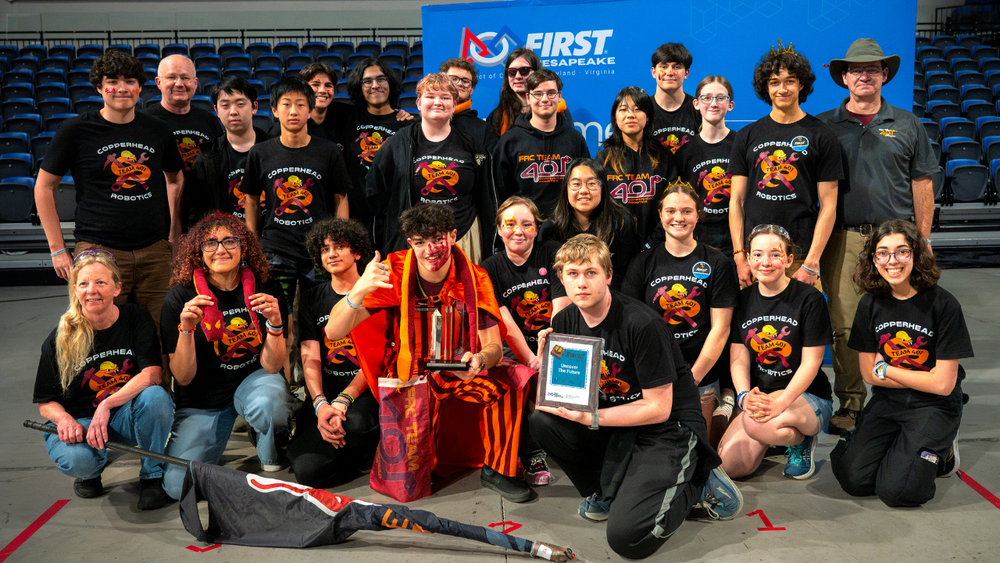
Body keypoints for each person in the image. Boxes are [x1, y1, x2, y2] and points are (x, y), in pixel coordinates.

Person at [530, 234, 742, 560]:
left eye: (591, 273)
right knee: (543, 422)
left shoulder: (641, 324)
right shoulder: (565, 320)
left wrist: (592, 418)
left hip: (668, 428)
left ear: (609, 275)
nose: (581, 282)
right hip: (619, 420)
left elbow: (658, 408)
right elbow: (566, 395)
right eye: (572, 274)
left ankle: (697, 480)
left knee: (627, 539)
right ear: (561, 279)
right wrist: (547, 365)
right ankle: (603, 489)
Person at [326, 203, 533, 503]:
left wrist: (478, 360)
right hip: (408, 376)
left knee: (512, 382)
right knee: (407, 488)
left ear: (453, 235)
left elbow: (494, 348)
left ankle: (499, 470)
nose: (430, 250)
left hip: (456, 370)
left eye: (437, 239)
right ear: (410, 243)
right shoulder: (394, 271)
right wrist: (358, 291)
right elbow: (333, 332)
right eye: (420, 242)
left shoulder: (474, 278)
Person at [817, 39, 940, 435]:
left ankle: (901, 397)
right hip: (844, 239)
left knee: (902, 322)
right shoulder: (825, 125)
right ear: (844, 77)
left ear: (884, 74)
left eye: (872, 69)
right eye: (856, 69)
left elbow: (922, 183)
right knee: (845, 325)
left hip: (897, 241)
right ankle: (851, 404)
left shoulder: (908, 123)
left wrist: (922, 239)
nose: (864, 75)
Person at [34, 50, 185, 340]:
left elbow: (175, 179)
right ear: (100, 88)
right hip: (98, 252)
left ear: (140, 87)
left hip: (154, 252)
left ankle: (156, 387)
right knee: (100, 336)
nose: (123, 88)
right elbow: (43, 186)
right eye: (113, 81)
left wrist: (173, 236)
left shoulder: (158, 130)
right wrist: (57, 249)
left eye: (130, 81)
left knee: (162, 336)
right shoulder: (76, 130)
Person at [831, 220, 973, 507]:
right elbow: (867, 375)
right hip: (889, 400)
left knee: (898, 492)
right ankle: (906, 447)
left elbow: (943, 385)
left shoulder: (944, 305)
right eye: (882, 253)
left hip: (934, 405)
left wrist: (887, 368)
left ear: (916, 255)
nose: (891, 261)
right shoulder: (870, 304)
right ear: (873, 259)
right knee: (853, 480)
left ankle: (942, 451)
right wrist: (918, 376)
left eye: (901, 252)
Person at [160, 213, 295, 500]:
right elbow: (182, 376)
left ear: (243, 248)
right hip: (203, 399)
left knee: (271, 402)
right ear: (199, 252)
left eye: (229, 241)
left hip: (253, 381)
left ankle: (269, 448)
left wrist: (275, 323)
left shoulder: (266, 287)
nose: (220, 249)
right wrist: (185, 330)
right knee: (177, 487)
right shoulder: (178, 297)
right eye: (210, 243)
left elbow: (272, 366)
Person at [33, 250, 174, 510]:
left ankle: (152, 476)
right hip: (81, 423)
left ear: (117, 288)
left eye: (101, 282)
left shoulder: (135, 318)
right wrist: (64, 420)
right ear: (75, 290)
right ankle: (89, 471)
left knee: (156, 397)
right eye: (84, 283)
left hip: (123, 416)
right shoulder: (59, 338)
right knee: (78, 461)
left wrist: (106, 406)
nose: (92, 290)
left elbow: (152, 374)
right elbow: (45, 401)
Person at [240, 77, 352, 378]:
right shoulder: (260, 153)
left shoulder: (328, 151)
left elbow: (341, 197)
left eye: (300, 104)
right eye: (286, 104)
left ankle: (318, 388)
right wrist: (252, 242)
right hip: (277, 249)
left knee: (322, 322)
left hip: (319, 251)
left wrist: (339, 242)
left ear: (310, 108)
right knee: (280, 323)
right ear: (274, 110)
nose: (293, 111)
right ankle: (285, 389)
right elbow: (250, 200)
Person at [621, 182, 738, 446]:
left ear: (698, 215)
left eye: (686, 211)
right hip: (653, 374)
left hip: (700, 373)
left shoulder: (716, 262)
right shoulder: (643, 263)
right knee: (657, 447)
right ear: (660, 214)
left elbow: (721, 329)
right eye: (671, 211)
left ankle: (725, 408)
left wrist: (692, 377)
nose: (678, 218)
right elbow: (631, 325)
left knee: (699, 450)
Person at [717, 225, 833, 480]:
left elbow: (811, 363)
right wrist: (744, 397)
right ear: (748, 258)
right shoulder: (743, 300)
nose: (765, 262)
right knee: (728, 465)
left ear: (789, 259)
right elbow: (738, 358)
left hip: (806, 396)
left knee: (755, 423)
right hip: (760, 398)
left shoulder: (809, 299)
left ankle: (801, 440)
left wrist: (781, 403)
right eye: (757, 255)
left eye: (775, 254)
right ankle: (773, 434)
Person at [728, 42, 842, 289]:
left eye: (790, 81)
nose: (783, 88)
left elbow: (829, 205)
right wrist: (740, 255)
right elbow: (736, 202)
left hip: (800, 256)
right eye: (774, 82)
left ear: (802, 84)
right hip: (755, 255)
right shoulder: (746, 136)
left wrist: (811, 262)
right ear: (765, 88)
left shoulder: (822, 135)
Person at [481, 196, 572, 485]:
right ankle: (532, 451)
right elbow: (505, 322)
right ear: (498, 229)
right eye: (510, 224)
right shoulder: (489, 268)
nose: (518, 230)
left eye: (526, 224)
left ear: (536, 229)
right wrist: (531, 360)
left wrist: (550, 352)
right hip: (514, 345)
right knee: (523, 379)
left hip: (556, 338)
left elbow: (563, 307)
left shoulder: (552, 252)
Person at [287, 218, 380, 488]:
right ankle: (355, 453)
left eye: (339, 246)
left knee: (357, 426)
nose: (332, 254)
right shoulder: (311, 298)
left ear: (357, 252)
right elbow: (310, 356)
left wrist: (343, 400)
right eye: (325, 249)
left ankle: (366, 450)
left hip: (365, 391)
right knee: (306, 470)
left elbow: (374, 360)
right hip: (326, 393)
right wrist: (320, 403)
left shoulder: (375, 293)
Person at [367, 73, 497, 262]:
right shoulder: (398, 142)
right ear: (419, 103)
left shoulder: (472, 144)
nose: (438, 102)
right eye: (430, 97)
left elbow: (484, 195)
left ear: (454, 105)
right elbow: (376, 191)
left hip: (463, 236)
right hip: (415, 240)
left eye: (445, 98)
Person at [328, 58, 413, 230]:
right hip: (356, 219)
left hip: (395, 219)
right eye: (367, 81)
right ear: (359, 88)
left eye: (381, 79)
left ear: (390, 82)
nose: (375, 85)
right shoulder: (345, 118)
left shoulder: (407, 125)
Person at [494, 69, 590, 216]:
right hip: (524, 228)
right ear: (528, 98)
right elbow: (500, 193)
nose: (545, 99)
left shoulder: (575, 139)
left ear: (559, 96)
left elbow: (585, 185)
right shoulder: (509, 141)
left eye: (551, 93)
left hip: (567, 227)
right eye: (538, 94)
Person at [145, 54, 225, 228]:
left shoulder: (208, 120)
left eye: (185, 78)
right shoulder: (145, 122)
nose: (179, 83)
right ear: (158, 83)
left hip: (202, 215)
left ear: (195, 83)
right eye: (171, 77)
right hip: (158, 217)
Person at [539, 158, 639, 290]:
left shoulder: (620, 222)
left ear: (603, 188)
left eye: (592, 183)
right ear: (566, 188)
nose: (584, 190)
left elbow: (628, 275)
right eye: (576, 184)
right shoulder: (551, 229)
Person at [596, 86, 679, 244]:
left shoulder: (664, 157)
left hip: (659, 246)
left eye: (638, 109)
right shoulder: (603, 160)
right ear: (615, 116)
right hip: (615, 248)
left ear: (648, 117)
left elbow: (674, 207)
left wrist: (652, 244)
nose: (630, 115)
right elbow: (597, 210)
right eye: (623, 109)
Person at [189, 76, 272, 222]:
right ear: (217, 111)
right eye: (225, 105)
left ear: (254, 107)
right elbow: (197, 208)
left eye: (240, 104)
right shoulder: (208, 156)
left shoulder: (275, 148)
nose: (233, 112)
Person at [677, 76, 737, 253]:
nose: (714, 104)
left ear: (730, 105)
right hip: (699, 236)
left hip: (736, 235)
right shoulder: (684, 152)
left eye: (721, 98)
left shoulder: (741, 144)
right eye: (707, 98)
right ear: (696, 104)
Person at [487, 48, 573, 145]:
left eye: (524, 70)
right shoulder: (498, 116)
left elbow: (569, 145)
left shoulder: (557, 109)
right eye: (512, 72)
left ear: (537, 73)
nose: (517, 76)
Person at [650, 43, 700, 157]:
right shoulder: (642, 110)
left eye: (676, 67)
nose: (669, 72)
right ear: (653, 72)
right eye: (663, 67)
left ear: (686, 73)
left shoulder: (699, 109)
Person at [440, 58, 495, 152]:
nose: (460, 83)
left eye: (465, 81)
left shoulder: (483, 129)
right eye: (454, 79)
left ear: (471, 90)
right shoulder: (427, 122)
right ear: (441, 83)